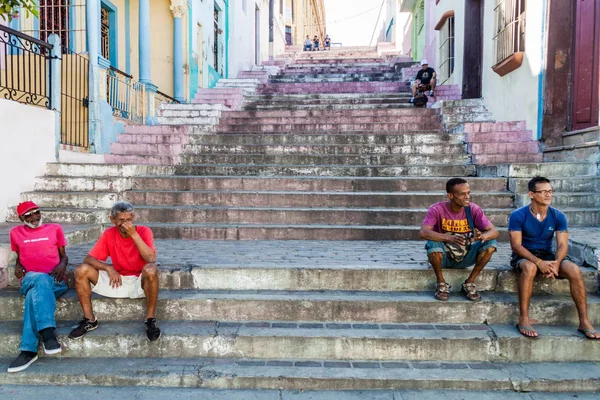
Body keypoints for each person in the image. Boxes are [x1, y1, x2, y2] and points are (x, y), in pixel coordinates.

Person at [508, 176, 600, 339]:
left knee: (573, 269)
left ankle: (584, 321)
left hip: (548, 255)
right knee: (529, 268)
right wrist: (538, 262)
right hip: (524, 256)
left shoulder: (558, 216)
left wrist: (556, 263)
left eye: (550, 191)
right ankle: (524, 318)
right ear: (531, 194)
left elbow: (562, 245)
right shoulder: (518, 215)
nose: (548, 195)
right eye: (543, 192)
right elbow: (516, 246)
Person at [68, 201, 161, 341]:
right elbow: (88, 258)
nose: (125, 224)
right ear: (112, 220)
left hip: (140, 282)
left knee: (151, 269)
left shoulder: (144, 231)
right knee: (81, 270)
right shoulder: (109, 234)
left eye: (129, 219)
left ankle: (150, 320)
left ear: (133, 217)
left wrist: (134, 234)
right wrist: (108, 267)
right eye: (121, 220)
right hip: (117, 280)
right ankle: (90, 320)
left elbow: (151, 258)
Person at [7, 202, 68, 373]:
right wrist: (17, 265)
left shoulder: (55, 228)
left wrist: (63, 266)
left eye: (37, 212)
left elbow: (64, 256)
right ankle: (48, 334)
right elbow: (20, 257)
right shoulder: (15, 233)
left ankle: (28, 350)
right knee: (40, 279)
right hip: (30, 279)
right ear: (21, 218)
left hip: (55, 281)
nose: (34, 217)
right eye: (29, 215)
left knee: (34, 295)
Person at [419, 178, 499, 301]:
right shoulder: (437, 209)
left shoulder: (473, 209)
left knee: (491, 243)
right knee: (432, 243)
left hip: (466, 255)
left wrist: (483, 237)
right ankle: (441, 283)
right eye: (462, 194)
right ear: (450, 195)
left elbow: (494, 231)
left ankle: (469, 282)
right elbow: (423, 232)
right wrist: (449, 238)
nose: (467, 197)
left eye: (468, 193)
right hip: (444, 256)